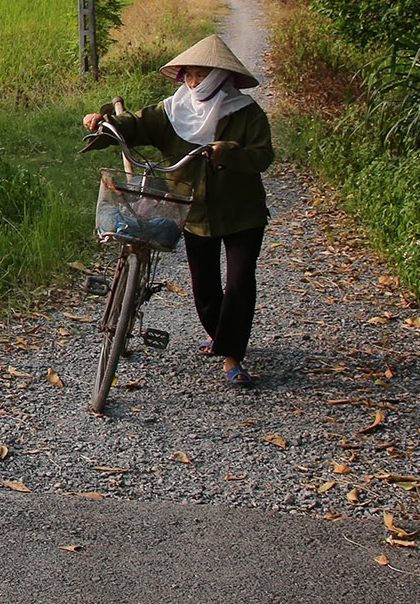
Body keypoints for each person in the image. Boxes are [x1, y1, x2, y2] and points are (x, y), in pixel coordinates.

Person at [82, 35, 275, 387]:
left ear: (219, 76)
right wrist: (104, 123)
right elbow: (137, 125)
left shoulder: (246, 114)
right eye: (188, 74)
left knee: (239, 284)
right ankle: (220, 335)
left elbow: (263, 156)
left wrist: (227, 151)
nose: (193, 82)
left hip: (241, 213)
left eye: (201, 75)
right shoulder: (173, 110)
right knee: (204, 287)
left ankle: (232, 357)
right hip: (193, 212)